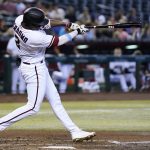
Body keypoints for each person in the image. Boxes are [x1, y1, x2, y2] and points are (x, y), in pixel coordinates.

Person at [0, 7, 95, 142]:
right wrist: (76, 32)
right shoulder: (34, 37)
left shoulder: (20, 19)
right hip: (34, 69)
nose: (42, 24)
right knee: (33, 107)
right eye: (38, 24)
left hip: (36, 65)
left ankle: (75, 131)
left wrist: (66, 24)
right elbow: (59, 41)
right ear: (32, 24)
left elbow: (47, 22)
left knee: (55, 101)